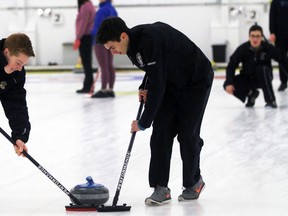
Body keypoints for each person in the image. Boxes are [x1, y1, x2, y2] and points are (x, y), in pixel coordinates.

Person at [96, 17, 214, 205]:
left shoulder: (150, 40)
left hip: (195, 80)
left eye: (112, 47)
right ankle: (161, 188)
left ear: (123, 36)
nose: (113, 53)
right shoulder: (130, 45)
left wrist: (143, 122)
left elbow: (158, 84)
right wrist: (144, 86)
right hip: (171, 82)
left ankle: (194, 182)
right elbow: (153, 70)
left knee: (186, 133)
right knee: (161, 133)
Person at [224, 24, 287, 108]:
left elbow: (283, 60)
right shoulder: (242, 49)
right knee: (227, 84)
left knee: (261, 69)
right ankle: (251, 93)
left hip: (265, 78)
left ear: (261, 37)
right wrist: (229, 82)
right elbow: (231, 66)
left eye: (258, 36)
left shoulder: (268, 48)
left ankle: (270, 100)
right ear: (249, 37)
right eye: (252, 36)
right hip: (248, 79)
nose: (255, 39)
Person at [0, 33, 35, 156]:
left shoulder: (17, 74)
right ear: (6, 52)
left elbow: (16, 105)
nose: (20, 68)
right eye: (18, 62)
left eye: (23, 65)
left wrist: (19, 136)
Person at [91, 0, 117, 98]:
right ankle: (110, 88)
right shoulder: (112, 9)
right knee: (109, 65)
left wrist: (94, 37)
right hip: (110, 40)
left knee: (104, 66)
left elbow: (97, 27)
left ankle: (103, 89)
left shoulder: (102, 10)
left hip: (100, 41)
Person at [74, 0, 96, 93]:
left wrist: (78, 37)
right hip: (87, 36)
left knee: (86, 63)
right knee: (87, 62)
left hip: (84, 37)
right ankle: (89, 85)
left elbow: (83, 24)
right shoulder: (90, 5)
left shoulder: (85, 7)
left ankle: (88, 86)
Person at [269, 0, 288, 91]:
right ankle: (283, 82)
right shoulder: (275, 2)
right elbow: (272, 17)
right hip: (280, 36)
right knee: (281, 58)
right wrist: (272, 32)